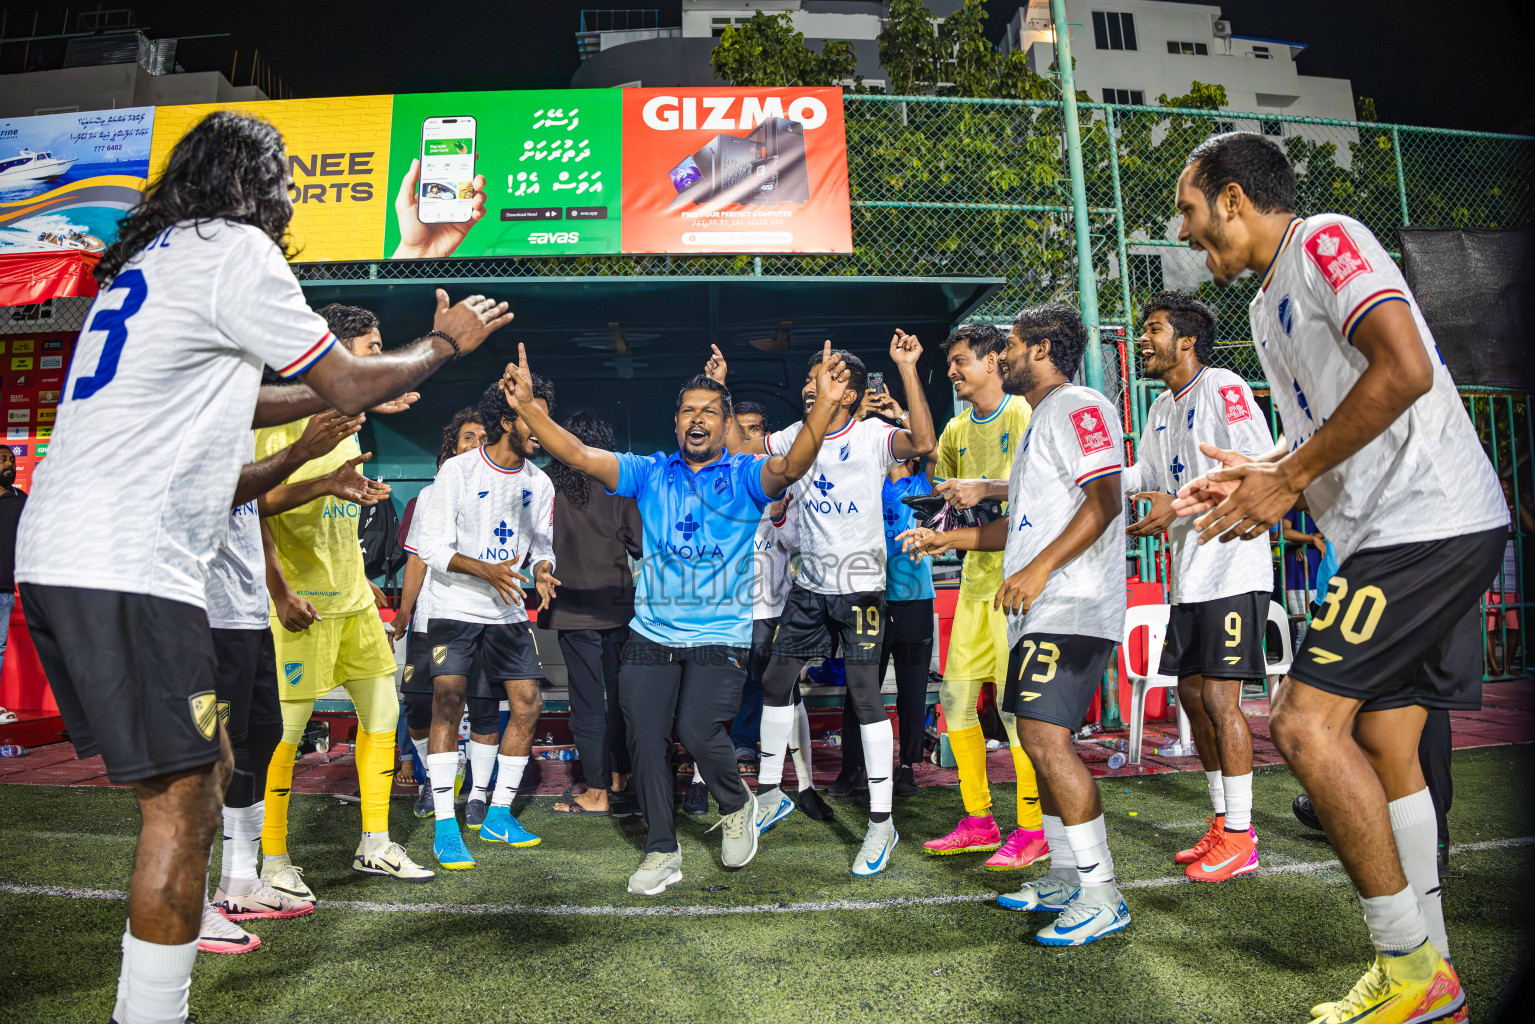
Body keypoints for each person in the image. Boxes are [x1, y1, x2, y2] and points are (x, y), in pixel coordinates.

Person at [13, 110, 510, 1024]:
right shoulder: (235, 246)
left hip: (68, 551)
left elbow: (239, 394)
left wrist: (374, 381)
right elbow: (342, 384)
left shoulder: (155, 259)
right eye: (282, 178)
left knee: (203, 770)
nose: (290, 196)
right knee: (184, 802)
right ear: (254, 183)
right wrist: (443, 348)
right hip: (130, 561)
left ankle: (196, 919)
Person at [1171, 130, 1506, 1022]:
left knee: (1302, 721)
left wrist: (1286, 478)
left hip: (1422, 523)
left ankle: (1410, 969)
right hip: (1387, 534)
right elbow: (1330, 424)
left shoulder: (1326, 240)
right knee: (1388, 746)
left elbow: (1404, 370)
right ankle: (1430, 973)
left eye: (1193, 212)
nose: (1189, 232)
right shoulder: (1257, 310)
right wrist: (1264, 466)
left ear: (1234, 198)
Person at [502, 341, 847, 895]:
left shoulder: (744, 475)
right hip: (650, 635)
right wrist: (529, 411)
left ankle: (738, 805)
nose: (698, 419)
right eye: (689, 410)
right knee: (645, 737)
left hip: (719, 634)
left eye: (709, 412)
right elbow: (580, 456)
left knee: (695, 727)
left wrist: (822, 410)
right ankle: (662, 848)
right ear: (677, 419)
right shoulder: (649, 471)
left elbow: (793, 464)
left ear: (726, 423)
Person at [903, 303, 1129, 946]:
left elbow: (1106, 501)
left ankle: (1101, 891)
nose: (1002, 355)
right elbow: (1021, 525)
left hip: (1074, 602)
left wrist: (1038, 572)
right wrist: (952, 542)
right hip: (1041, 605)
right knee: (1035, 738)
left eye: (1014, 345)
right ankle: (1065, 872)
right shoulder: (1041, 424)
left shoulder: (1081, 404)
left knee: (1045, 738)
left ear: (1045, 349)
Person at [708, 332, 938, 878]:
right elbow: (741, 452)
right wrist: (720, 392)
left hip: (860, 586)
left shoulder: (873, 437)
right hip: (808, 587)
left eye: (823, 382)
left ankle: (881, 823)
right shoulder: (793, 435)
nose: (811, 390)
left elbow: (924, 442)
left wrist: (907, 368)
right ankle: (770, 793)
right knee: (774, 681)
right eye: (812, 382)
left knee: (863, 696)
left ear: (850, 393)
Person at [257, 303, 439, 894]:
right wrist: (278, 586)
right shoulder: (273, 419)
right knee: (287, 732)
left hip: (352, 596)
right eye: (370, 348)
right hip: (297, 604)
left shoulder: (347, 418)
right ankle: (274, 861)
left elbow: (332, 490)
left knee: (383, 717)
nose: (378, 357)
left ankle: (376, 844)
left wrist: (354, 489)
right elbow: (252, 503)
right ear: (333, 351)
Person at [200, 409, 389, 954]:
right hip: (198, 621)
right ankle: (186, 906)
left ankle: (238, 881)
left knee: (254, 741)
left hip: (246, 617)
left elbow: (251, 517)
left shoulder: (238, 427)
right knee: (201, 757)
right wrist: (312, 457)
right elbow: (234, 494)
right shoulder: (204, 415)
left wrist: (275, 590)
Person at [1120, 291, 1272, 881]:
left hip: (1235, 567)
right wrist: (1097, 481)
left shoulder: (1224, 387)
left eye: (1153, 328)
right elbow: (1150, 478)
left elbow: (1256, 467)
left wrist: (1175, 505)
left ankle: (1242, 835)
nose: (1142, 338)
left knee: (1218, 700)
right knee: (1189, 697)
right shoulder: (1160, 408)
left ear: (1186, 341)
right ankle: (1221, 822)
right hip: (1191, 576)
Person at [412, 377, 559, 868]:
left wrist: (542, 572)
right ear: (506, 420)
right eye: (530, 418)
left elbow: (543, 547)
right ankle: (446, 825)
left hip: (509, 610)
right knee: (448, 702)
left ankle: (498, 813)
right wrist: (486, 570)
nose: (540, 429)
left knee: (527, 703)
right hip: (454, 606)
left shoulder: (541, 483)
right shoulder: (457, 470)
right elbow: (430, 548)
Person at [920, 323, 1043, 870]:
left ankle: (1034, 828)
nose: (953, 371)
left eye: (962, 360)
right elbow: (943, 496)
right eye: (950, 362)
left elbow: (1047, 492)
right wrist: (933, 517)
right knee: (954, 703)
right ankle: (978, 820)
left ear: (995, 361)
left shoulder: (1025, 415)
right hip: (975, 584)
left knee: (1018, 714)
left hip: (1020, 584)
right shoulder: (953, 432)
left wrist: (988, 490)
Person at [391, 408, 503, 822]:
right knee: (419, 705)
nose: (475, 444)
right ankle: (432, 780)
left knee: (484, 704)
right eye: (467, 438)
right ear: (452, 449)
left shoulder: (504, 493)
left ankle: (477, 792)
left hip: (485, 617)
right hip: (433, 619)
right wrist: (405, 612)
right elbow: (418, 559)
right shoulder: (430, 495)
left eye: (482, 438)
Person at [539, 411, 640, 818]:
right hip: (618, 610)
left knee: (586, 704)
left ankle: (597, 791)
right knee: (621, 700)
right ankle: (619, 776)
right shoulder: (618, 484)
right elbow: (641, 545)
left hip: (572, 610)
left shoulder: (547, 484)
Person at [835, 430, 934, 802]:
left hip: (914, 601)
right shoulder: (866, 487)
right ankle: (853, 766)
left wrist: (901, 415)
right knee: (860, 689)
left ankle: (906, 766)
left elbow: (932, 448)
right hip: (869, 600)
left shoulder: (923, 484)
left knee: (912, 690)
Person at [0, 446, 23, 707]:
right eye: (3, 459)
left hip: (4, 590)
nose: (9, 464)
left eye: (12, 460)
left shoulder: (23, 500)